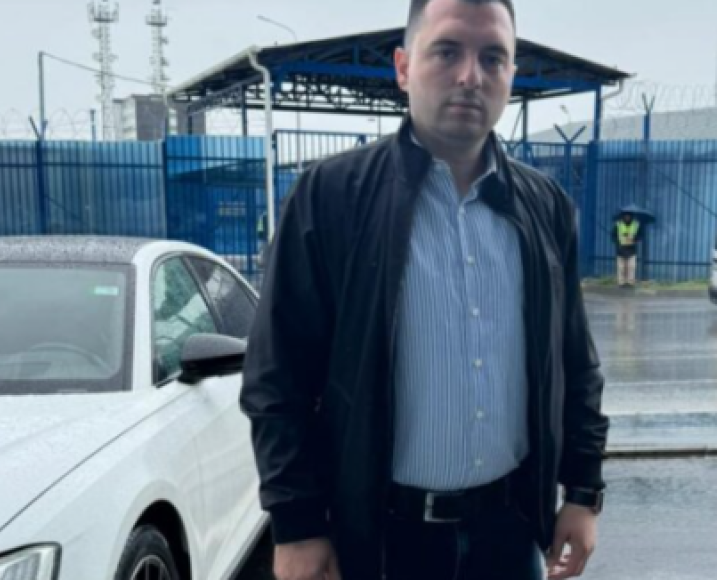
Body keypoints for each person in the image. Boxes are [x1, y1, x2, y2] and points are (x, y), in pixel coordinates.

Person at [240, 1, 609, 579]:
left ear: (511, 74)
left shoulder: (545, 208)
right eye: (447, 51)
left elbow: (575, 363)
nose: (470, 76)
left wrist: (584, 492)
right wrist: (298, 524)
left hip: (510, 535)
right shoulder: (331, 198)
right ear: (403, 67)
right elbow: (277, 377)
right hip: (382, 543)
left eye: (493, 58)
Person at [612, 211, 641, 287]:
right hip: (620, 249)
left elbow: (640, 235)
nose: (627, 217)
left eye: (629, 216)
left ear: (631, 216)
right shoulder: (618, 224)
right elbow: (613, 236)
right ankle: (621, 282)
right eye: (625, 215)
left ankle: (630, 282)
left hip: (632, 249)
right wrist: (618, 241)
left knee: (631, 267)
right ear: (623, 216)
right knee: (621, 267)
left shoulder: (636, 225)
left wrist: (634, 239)